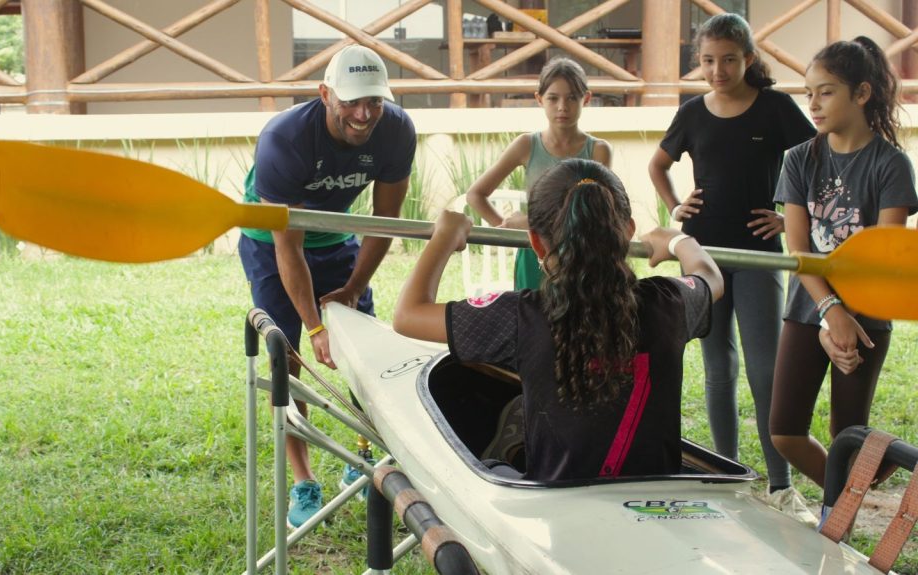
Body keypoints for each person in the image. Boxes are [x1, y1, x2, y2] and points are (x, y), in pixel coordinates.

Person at [394, 159, 723, 482]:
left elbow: (408, 315)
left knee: (490, 466)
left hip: (555, 502)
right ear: (628, 232)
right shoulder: (669, 303)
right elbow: (710, 277)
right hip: (657, 502)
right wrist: (678, 241)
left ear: (536, 242)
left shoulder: (519, 315)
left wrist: (444, 237)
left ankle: (513, 443)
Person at [238, 44, 417, 527]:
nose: (363, 114)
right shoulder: (285, 139)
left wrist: (354, 288)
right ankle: (303, 479)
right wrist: (315, 327)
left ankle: (362, 457)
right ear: (325, 95)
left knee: (367, 351)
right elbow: (289, 246)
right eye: (351, 101)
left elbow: (385, 220)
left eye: (374, 101)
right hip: (271, 243)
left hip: (336, 235)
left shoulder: (396, 130)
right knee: (287, 359)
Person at [647, 13, 815, 509]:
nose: (717, 70)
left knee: (765, 372)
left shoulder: (775, 108)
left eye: (728, 60)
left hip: (759, 257)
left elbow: (818, 161)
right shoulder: (691, 113)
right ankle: (726, 476)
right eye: (707, 61)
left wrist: (788, 218)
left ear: (748, 59)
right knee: (717, 368)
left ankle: (781, 485)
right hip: (704, 257)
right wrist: (676, 207)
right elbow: (658, 164)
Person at [770, 37, 918, 495]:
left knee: (847, 439)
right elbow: (798, 249)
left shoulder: (891, 165)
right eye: (808, 93)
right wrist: (829, 315)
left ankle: (842, 510)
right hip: (808, 306)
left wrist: (844, 318)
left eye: (826, 92)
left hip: (866, 313)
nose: (813, 104)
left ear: (862, 93)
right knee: (784, 432)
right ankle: (849, 497)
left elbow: (880, 257)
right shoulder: (799, 159)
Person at [466, 57, 612, 290]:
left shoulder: (598, 151)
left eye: (572, 97)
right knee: (531, 312)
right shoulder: (526, 145)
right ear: (539, 99)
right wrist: (508, 227)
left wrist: (529, 222)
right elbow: (476, 194)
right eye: (553, 98)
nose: (562, 107)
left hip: (581, 253)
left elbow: (597, 214)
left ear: (586, 99)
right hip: (534, 253)